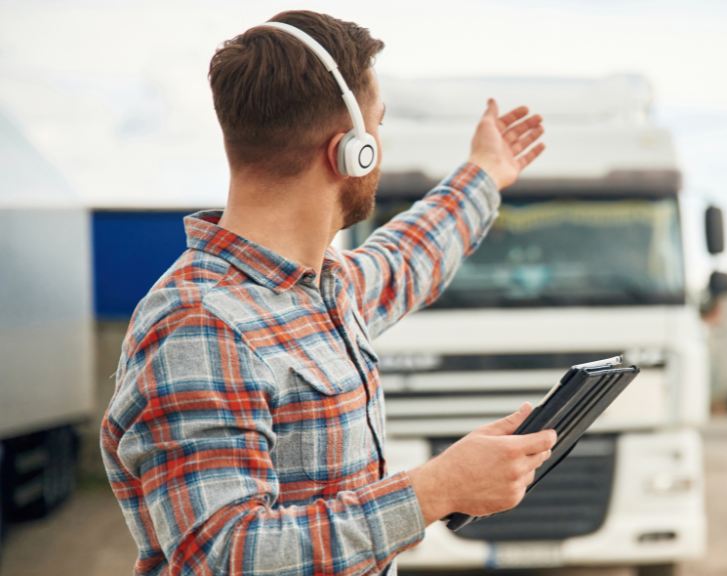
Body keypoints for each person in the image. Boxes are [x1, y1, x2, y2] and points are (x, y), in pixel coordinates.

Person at [101, 10, 553, 576]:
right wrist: (437, 490)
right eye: (378, 126)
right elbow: (227, 555)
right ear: (349, 151)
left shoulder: (321, 290)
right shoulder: (201, 326)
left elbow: (406, 259)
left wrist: (484, 171)